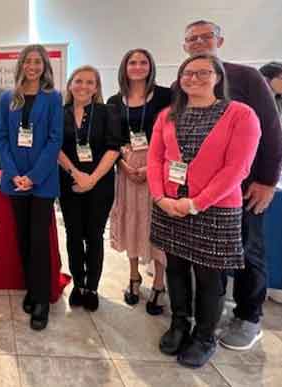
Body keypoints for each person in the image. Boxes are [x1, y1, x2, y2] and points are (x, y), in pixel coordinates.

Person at [149, 54, 260, 368]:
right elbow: (157, 160)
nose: (193, 78)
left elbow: (236, 169)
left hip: (215, 209)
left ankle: (205, 336)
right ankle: (180, 323)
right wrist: (160, 198)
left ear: (218, 77)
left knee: (210, 278)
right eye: (187, 72)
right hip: (169, 207)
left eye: (202, 72)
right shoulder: (168, 115)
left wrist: (196, 203)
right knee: (176, 269)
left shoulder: (240, 114)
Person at [181, 20, 282, 352]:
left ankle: (249, 316)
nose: (199, 42)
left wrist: (267, 181)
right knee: (212, 254)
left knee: (247, 251)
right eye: (192, 39)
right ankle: (215, 310)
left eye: (205, 37)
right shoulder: (182, 82)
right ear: (185, 46)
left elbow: (273, 132)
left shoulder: (247, 78)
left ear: (220, 41)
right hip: (199, 191)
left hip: (244, 188)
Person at [0, 45, 63, 331]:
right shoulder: (8, 98)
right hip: (14, 181)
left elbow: (54, 139)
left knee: (38, 239)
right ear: (21, 65)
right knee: (22, 238)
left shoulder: (53, 98)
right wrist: (14, 174)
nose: (32, 66)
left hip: (42, 182)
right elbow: (0, 137)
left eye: (38, 62)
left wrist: (33, 177)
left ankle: (42, 300)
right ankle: (32, 290)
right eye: (28, 61)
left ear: (44, 66)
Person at [107, 49, 172, 315]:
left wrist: (151, 167)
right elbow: (111, 140)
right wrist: (122, 165)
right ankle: (134, 277)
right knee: (131, 221)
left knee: (155, 223)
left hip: (157, 167)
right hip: (125, 169)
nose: (137, 66)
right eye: (132, 62)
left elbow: (173, 134)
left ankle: (159, 283)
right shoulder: (114, 100)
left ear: (151, 66)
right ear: (124, 67)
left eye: (143, 62)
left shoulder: (167, 96)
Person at [57, 66, 122, 312]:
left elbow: (113, 148)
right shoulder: (59, 113)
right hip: (69, 183)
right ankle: (79, 284)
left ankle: (92, 287)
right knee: (73, 235)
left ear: (96, 88)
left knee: (94, 236)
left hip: (100, 184)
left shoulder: (108, 112)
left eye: (90, 82)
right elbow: (55, 146)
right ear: (70, 84)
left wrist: (91, 179)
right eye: (78, 81)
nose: (83, 86)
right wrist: (76, 174)